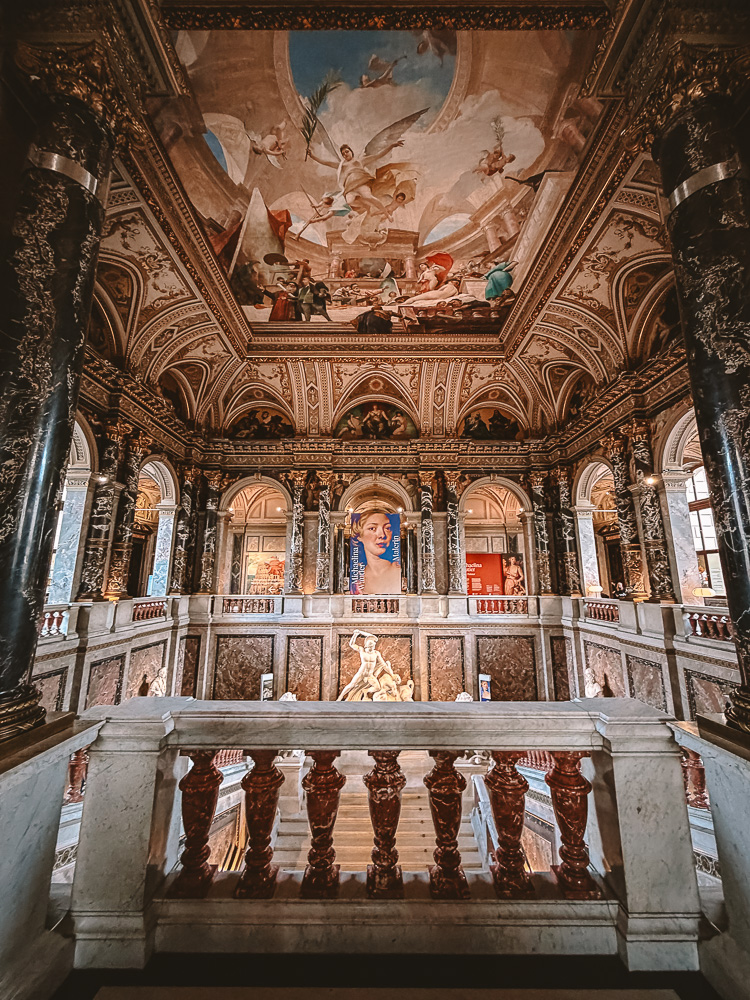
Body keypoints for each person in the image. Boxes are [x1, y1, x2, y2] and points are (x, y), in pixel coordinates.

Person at [351, 510, 401, 594]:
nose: (382, 535)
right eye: (372, 528)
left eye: (387, 528)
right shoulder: (357, 577)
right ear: (359, 535)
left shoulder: (397, 570)